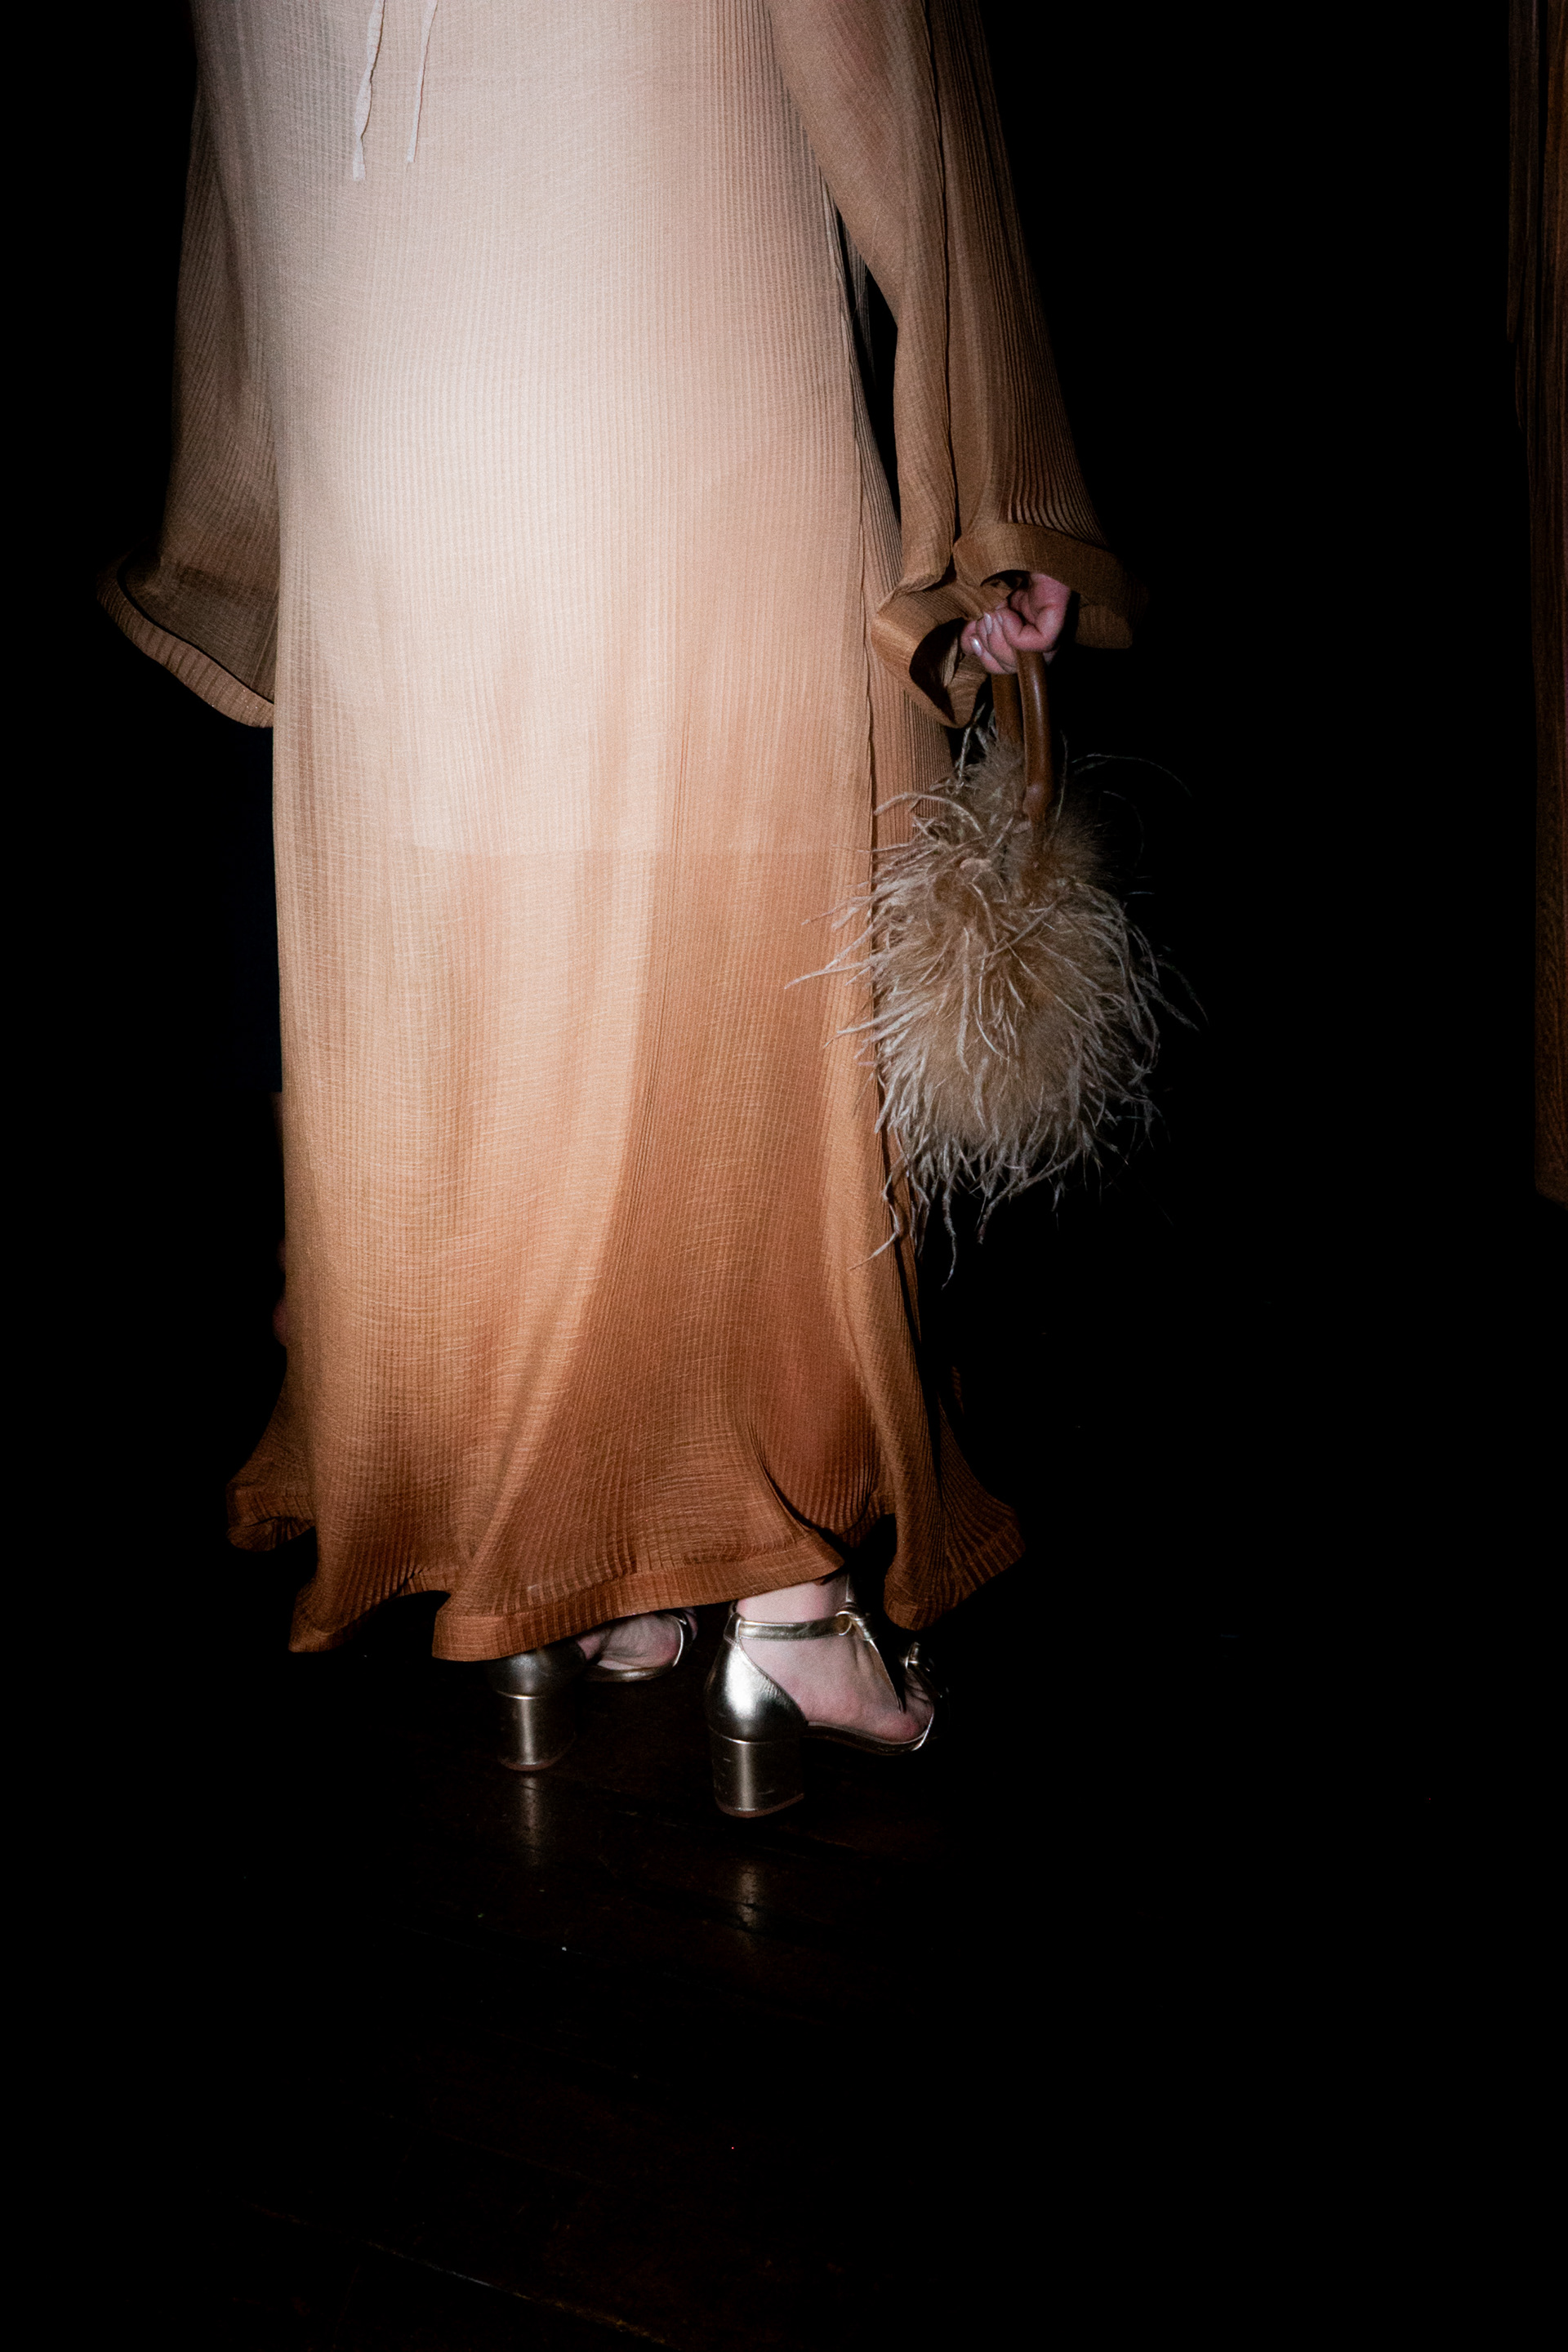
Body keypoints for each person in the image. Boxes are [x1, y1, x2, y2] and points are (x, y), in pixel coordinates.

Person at [101, 0, 1139, 1816]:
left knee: (489, 996)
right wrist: (996, 500)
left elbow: (244, 180)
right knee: (738, 981)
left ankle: (567, 1574)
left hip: (389, 481)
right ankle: (782, 1597)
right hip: (686, 431)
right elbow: (876, 70)